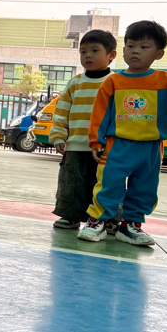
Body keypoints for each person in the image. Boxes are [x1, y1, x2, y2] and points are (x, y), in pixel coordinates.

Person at [78, 21, 167, 245]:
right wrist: (96, 141)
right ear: (123, 50)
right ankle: (97, 221)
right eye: (130, 46)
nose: (135, 51)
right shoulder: (113, 81)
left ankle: (131, 225)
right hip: (118, 145)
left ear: (159, 54)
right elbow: (100, 113)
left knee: (145, 189)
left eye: (144, 47)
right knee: (109, 184)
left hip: (151, 148)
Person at [48, 30, 117, 230]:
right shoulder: (75, 83)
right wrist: (59, 136)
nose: (88, 56)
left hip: (106, 148)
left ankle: (108, 219)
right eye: (83, 51)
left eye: (95, 51)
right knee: (72, 182)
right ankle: (71, 216)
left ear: (111, 55)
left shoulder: (116, 83)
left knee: (106, 184)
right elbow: (62, 112)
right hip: (76, 146)